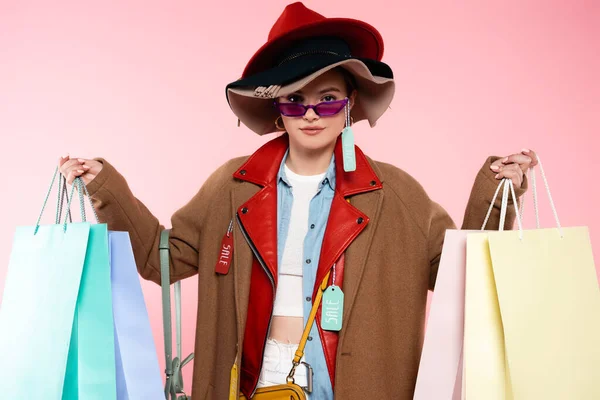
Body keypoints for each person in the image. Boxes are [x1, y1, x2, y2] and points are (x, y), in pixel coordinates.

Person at [59, 2, 537, 399]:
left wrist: (498, 193)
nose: (311, 114)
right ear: (276, 108)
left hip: (351, 384)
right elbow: (159, 257)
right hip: (253, 378)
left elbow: (460, 278)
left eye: (327, 99)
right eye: (295, 100)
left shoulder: (396, 194)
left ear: (349, 104)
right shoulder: (232, 185)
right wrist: (106, 187)